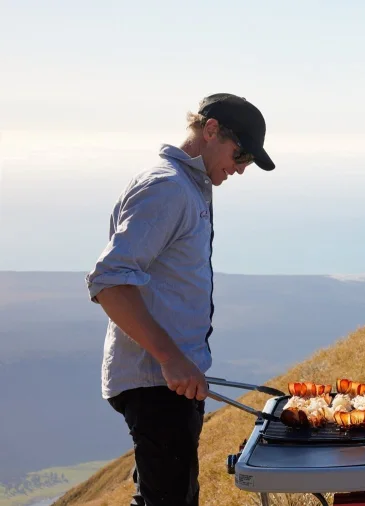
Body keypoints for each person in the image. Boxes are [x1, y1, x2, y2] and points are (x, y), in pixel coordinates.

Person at [85, 93, 276, 506]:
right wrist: (171, 357)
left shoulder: (189, 186)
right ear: (210, 130)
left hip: (170, 381)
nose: (241, 169)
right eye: (240, 153)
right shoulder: (168, 188)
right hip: (156, 381)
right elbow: (109, 282)